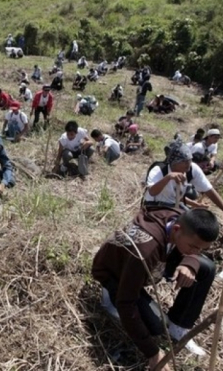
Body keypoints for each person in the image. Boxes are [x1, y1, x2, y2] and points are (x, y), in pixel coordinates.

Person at [92, 207, 219, 370]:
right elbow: (126, 303)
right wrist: (152, 353)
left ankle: (178, 325)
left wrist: (189, 263)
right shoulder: (146, 250)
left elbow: (194, 251)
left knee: (206, 268)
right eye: (193, 247)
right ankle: (109, 296)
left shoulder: (177, 218)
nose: (196, 252)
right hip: (116, 275)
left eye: (201, 249)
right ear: (176, 230)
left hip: (150, 263)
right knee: (157, 327)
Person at [145, 139, 223, 210]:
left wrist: (195, 204)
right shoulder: (159, 170)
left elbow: (209, 191)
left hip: (175, 205)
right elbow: (152, 192)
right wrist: (168, 178)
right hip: (155, 206)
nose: (188, 163)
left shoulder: (192, 169)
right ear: (174, 163)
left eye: (189, 160)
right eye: (184, 161)